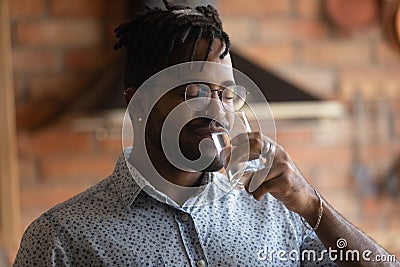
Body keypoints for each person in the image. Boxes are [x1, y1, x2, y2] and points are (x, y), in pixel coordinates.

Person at [13, 1, 399, 266]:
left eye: (227, 93)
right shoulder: (61, 238)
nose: (217, 108)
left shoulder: (276, 211)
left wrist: (315, 208)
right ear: (139, 103)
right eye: (194, 92)